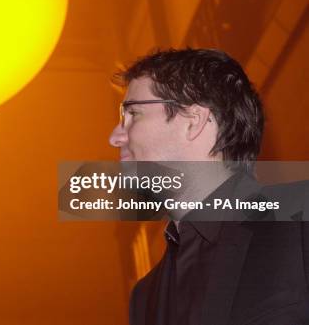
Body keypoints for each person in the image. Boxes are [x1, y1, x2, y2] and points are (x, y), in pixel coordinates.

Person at [108, 49, 309, 325]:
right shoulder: (145, 298)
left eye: (134, 114)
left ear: (194, 121)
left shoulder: (300, 218)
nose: (115, 137)